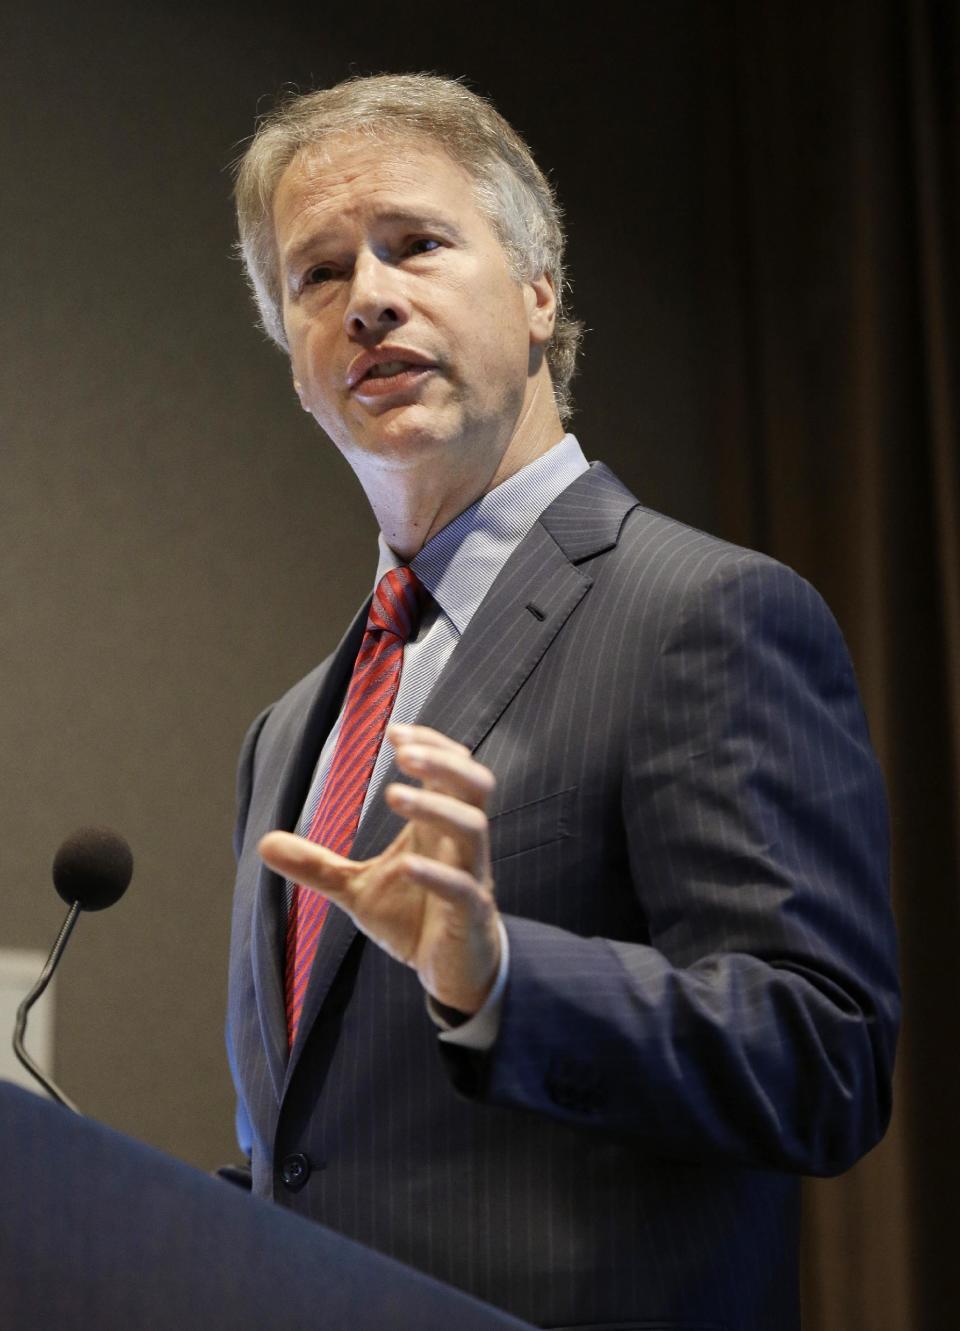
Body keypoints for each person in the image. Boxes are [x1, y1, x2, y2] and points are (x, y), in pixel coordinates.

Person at [225, 73, 899, 1331]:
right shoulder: (287, 733)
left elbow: (825, 1057)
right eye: (315, 275)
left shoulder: (704, 611)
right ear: (300, 369)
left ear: (540, 295)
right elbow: (324, 1159)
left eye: (416, 244)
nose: (367, 296)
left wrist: (501, 979)